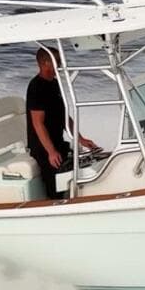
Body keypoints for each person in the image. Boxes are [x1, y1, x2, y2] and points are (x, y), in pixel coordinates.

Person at [25, 46, 99, 200]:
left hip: (58, 141)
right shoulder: (36, 87)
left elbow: (64, 116)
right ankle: (55, 203)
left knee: (83, 163)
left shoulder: (54, 83)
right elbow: (38, 124)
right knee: (56, 181)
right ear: (45, 63)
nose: (60, 64)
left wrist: (80, 139)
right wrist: (51, 151)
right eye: (57, 61)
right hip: (43, 148)